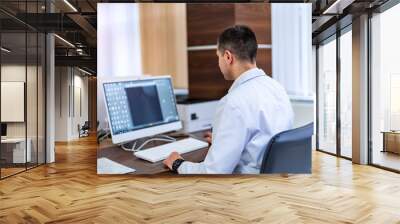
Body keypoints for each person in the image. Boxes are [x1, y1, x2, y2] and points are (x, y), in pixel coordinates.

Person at [163, 25, 294, 174]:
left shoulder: (233, 102)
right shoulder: (277, 88)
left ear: (227, 57)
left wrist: (177, 163)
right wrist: (223, 140)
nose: (219, 62)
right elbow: (265, 138)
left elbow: (213, 172)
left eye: (218, 56)